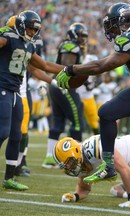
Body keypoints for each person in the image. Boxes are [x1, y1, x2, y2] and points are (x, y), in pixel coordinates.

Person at [56, 3, 130, 213]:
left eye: (112, 25)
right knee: (105, 113)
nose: (110, 30)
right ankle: (109, 164)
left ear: (123, 22)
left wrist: (71, 69)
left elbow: (102, 66)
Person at [0, 10, 64, 190]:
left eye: (35, 30)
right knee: (2, 132)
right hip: (2, 89)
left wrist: (71, 69)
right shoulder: (8, 36)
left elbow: (43, 65)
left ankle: (9, 177)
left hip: (16, 92)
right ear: (21, 26)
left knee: (16, 135)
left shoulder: (28, 46)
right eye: (29, 29)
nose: (32, 33)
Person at [42, 22, 88, 168]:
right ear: (73, 34)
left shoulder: (70, 45)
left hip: (57, 85)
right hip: (64, 86)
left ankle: (50, 158)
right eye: (81, 35)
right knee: (76, 121)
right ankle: (77, 158)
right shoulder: (71, 46)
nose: (83, 39)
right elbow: (68, 67)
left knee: (58, 121)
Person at [76, 54, 101, 135]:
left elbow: (100, 77)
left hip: (88, 96)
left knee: (94, 121)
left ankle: (98, 139)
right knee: (76, 119)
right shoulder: (81, 61)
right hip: (78, 95)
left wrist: (94, 84)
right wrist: (85, 83)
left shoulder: (94, 63)